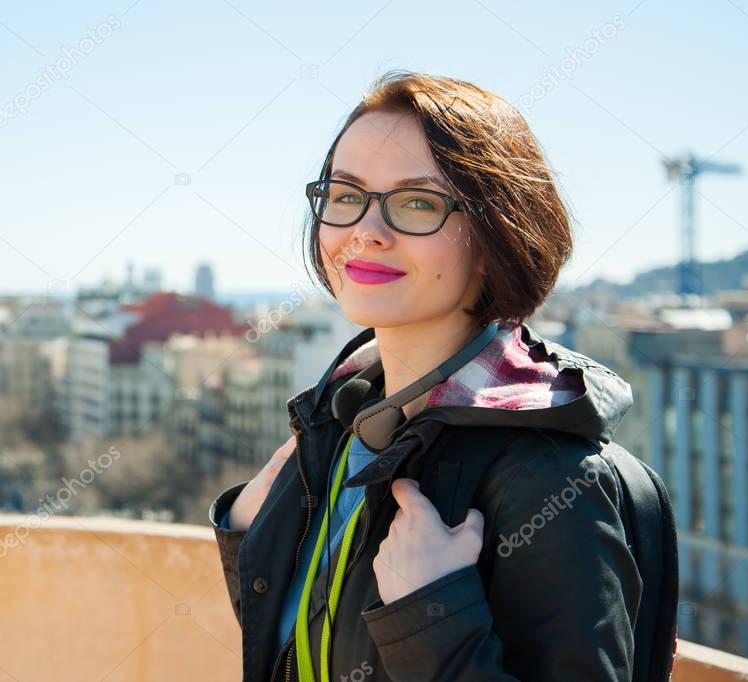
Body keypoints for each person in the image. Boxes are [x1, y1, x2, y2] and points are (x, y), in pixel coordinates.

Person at [208, 70, 643, 681]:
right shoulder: (344, 425)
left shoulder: (550, 478)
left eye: (417, 203)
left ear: (497, 234)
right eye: (345, 195)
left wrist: (429, 618)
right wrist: (254, 538)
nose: (365, 231)